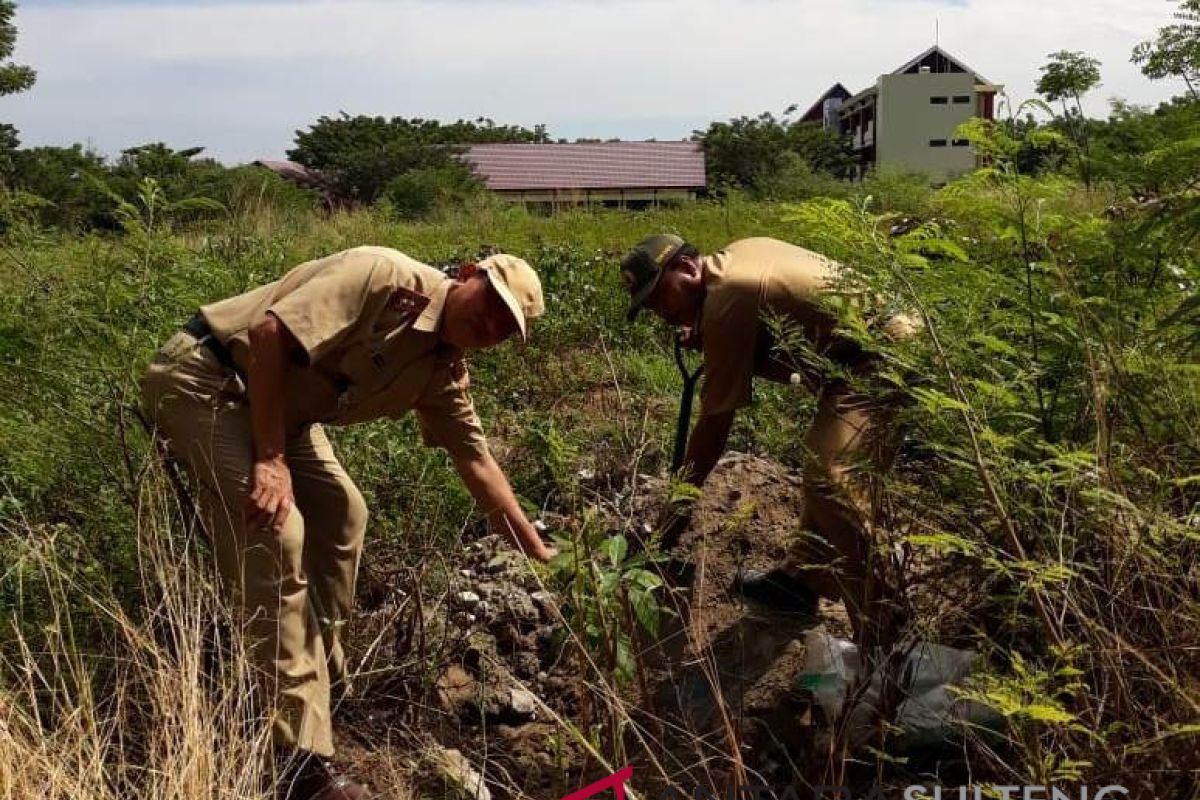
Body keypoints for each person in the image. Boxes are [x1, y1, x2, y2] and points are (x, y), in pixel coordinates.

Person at [142, 246, 555, 800]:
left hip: (281, 410)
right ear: (467, 276)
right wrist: (271, 459)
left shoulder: (439, 369)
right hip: (210, 379)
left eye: (504, 329)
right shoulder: (384, 277)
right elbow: (269, 335)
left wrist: (541, 554)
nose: (488, 324)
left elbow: (478, 462)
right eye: (491, 304)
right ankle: (299, 762)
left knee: (343, 516)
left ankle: (319, 690)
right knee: (276, 531)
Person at [619, 235, 919, 650]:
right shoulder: (731, 266)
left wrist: (676, 513)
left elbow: (714, 425)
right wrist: (711, 332)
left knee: (831, 477)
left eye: (662, 296)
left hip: (884, 353)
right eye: (650, 307)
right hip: (862, 352)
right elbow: (775, 330)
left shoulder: (729, 296)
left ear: (688, 268)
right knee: (823, 454)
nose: (662, 313)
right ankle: (802, 580)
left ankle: (886, 627)